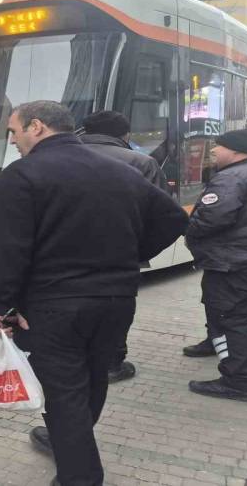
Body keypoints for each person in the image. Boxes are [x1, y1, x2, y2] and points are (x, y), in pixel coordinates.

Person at [0, 101, 187, 486]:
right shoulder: (122, 171)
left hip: (53, 305)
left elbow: (9, 248)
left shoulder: (21, 175)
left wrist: (3, 305)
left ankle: (79, 475)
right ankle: (68, 438)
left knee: (63, 391)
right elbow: (174, 218)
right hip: (117, 300)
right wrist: (131, 256)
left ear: (36, 127)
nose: (11, 140)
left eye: (14, 131)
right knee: (94, 376)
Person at [80, 111, 169, 384]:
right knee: (114, 309)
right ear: (125, 134)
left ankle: (76, 361)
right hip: (120, 256)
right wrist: (139, 251)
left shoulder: (56, 157)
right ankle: (111, 365)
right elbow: (163, 215)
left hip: (63, 254)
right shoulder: (141, 162)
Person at [185, 128, 247, 403]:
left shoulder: (232, 177)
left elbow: (210, 219)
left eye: (219, 146)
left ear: (238, 150)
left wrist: (189, 232)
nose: (214, 151)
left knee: (231, 319)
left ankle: (240, 382)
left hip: (233, 264)